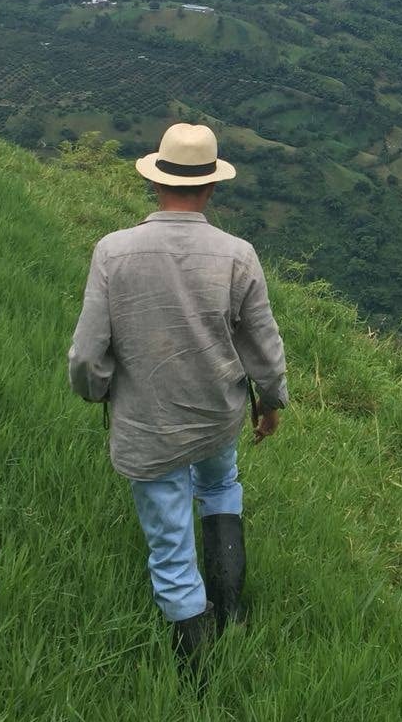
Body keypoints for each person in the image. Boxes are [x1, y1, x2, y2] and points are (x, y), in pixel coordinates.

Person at [68, 122, 287, 669]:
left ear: (156, 180)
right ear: (211, 187)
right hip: (218, 412)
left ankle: (197, 676)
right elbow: (263, 343)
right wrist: (271, 401)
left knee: (169, 541)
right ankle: (231, 610)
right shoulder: (238, 254)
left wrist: (98, 392)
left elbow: (86, 355)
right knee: (220, 486)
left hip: (149, 421)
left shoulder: (113, 252)